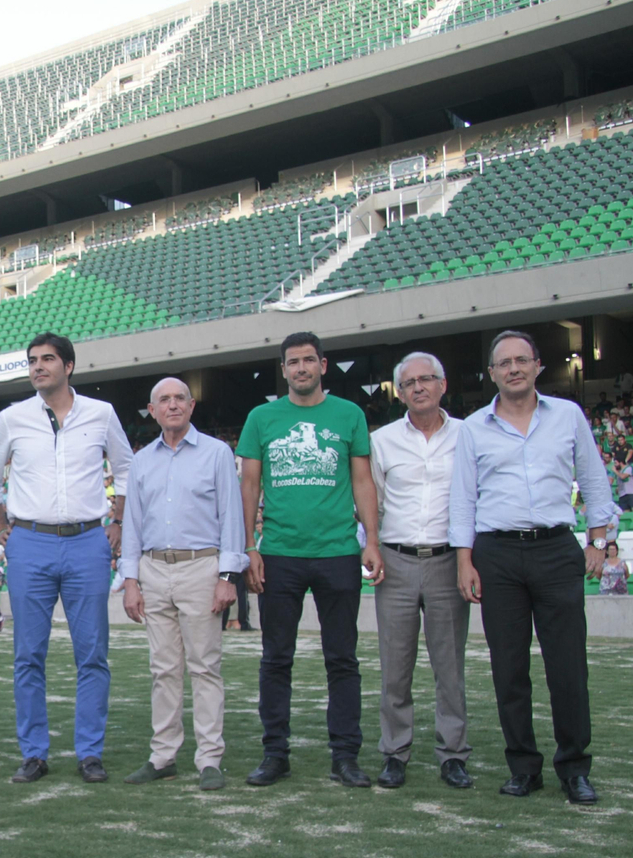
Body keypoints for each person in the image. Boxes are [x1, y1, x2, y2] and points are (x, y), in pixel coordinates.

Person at [452, 330, 611, 806]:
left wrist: (599, 539)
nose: (514, 369)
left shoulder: (567, 415)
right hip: (497, 555)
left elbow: (593, 478)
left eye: (522, 360)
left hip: (556, 549)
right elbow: (463, 498)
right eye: (504, 363)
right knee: (509, 669)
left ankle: (574, 768)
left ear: (538, 366)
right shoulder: (473, 428)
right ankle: (523, 767)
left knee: (568, 667)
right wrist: (464, 560)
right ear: (492, 373)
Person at [0, 333, 133, 784]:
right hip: (30, 542)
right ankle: (34, 753)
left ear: (68, 366)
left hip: (88, 541)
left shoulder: (101, 413)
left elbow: (126, 468)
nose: (38, 366)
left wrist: (118, 521)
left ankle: (90, 752)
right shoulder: (12, 418)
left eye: (47, 359)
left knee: (93, 654)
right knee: (28, 655)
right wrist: (0, 527)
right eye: (32, 360)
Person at [237, 331, 382, 789]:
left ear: (323, 364)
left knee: (342, 659)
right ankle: (275, 754)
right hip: (279, 553)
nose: (301, 368)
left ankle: (345, 756)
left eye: (308, 360)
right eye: (292, 362)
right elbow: (249, 486)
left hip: (338, 552)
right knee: (276, 659)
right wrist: (250, 546)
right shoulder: (261, 418)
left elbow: (362, 481)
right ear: (283, 370)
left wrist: (372, 539)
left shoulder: (349, 414)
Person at [118, 377, 246, 792]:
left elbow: (231, 516)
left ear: (191, 406)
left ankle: (209, 758)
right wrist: (131, 580)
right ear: (152, 411)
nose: (172, 405)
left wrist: (228, 577)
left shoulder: (217, 452)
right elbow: (132, 524)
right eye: (164, 400)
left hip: (201, 567)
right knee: (163, 669)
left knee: (205, 666)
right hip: (154, 569)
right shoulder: (141, 461)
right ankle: (163, 756)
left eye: (179, 399)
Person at [365, 352, 474, 791]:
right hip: (397, 561)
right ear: (400, 392)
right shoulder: (382, 440)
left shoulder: (468, 435)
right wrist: (372, 545)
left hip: (449, 561)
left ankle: (454, 755)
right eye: (409, 383)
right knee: (395, 668)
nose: (418, 388)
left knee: (450, 667)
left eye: (426, 379)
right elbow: (372, 500)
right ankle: (395, 753)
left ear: (442, 384)